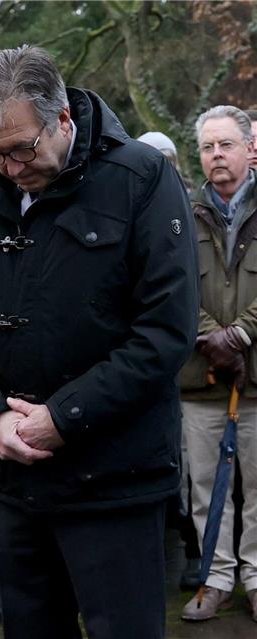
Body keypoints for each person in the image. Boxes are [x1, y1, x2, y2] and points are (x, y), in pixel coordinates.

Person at [0, 46, 198, 639]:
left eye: (23, 149)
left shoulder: (140, 178)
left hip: (115, 478)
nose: (9, 168)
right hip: (15, 479)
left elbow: (166, 329)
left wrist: (65, 416)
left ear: (63, 119)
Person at [179, 105, 256, 623]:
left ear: (250, 149)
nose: (216, 155)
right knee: (207, 489)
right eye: (207, 147)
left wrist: (242, 333)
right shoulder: (181, 215)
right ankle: (216, 578)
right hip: (201, 376)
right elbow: (170, 283)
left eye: (226, 144)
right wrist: (211, 337)